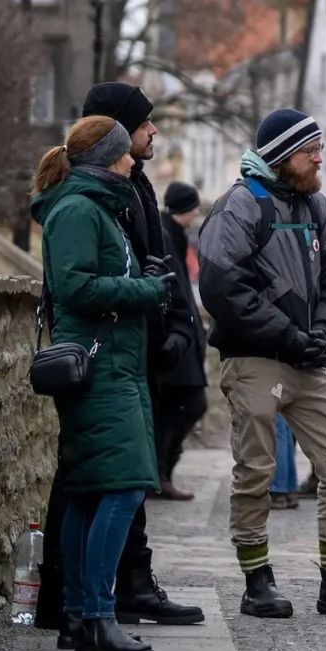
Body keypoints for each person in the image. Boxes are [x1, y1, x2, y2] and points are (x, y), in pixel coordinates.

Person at [197, 108, 326, 618]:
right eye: (310, 151)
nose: (318, 159)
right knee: (256, 473)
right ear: (282, 155)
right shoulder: (240, 206)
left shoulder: (318, 208)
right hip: (255, 360)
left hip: (306, 360)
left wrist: (324, 334)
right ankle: (257, 581)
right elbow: (223, 289)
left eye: (319, 150)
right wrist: (288, 336)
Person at [34, 83, 204, 632]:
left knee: (98, 485)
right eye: (140, 132)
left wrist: (157, 301)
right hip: (100, 362)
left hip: (120, 360)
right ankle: (94, 611)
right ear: (111, 153)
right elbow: (78, 288)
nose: (149, 139)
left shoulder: (106, 202)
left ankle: (87, 610)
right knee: (120, 484)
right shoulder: (82, 208)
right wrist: (147, 293)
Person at [149, 181, 209, 501]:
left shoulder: (173, 233)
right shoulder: (165, 233)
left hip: (182, 335)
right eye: (194, 207)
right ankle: (160, 472)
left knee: (182, 405)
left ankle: (162, 471)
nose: (197, 212)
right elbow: (173, 288)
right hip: (175, 336)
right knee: (184, 404)